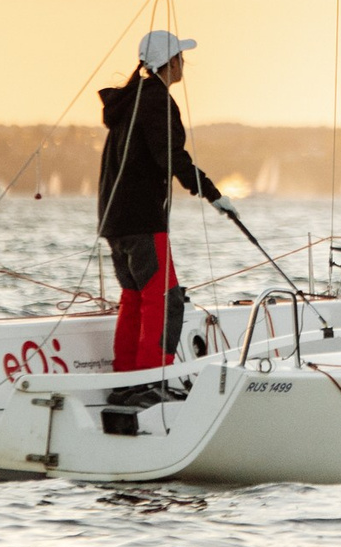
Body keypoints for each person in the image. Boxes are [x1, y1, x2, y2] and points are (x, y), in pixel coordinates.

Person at [96, 28, 239, 403]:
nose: (184, 65)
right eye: (181, 58)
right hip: (143, 220)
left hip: (113, 221)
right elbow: (173, 158)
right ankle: (151, 382)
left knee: (134, 297)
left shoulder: (128, 101)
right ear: (170, 63)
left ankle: (125, 383)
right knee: (165, 301)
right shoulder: (157, 100)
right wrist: (213, 195)